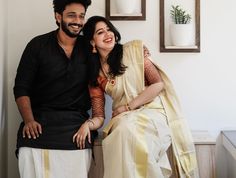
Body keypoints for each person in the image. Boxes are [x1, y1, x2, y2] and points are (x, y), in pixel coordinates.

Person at [76, 15, 198, 178]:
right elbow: (99, 116)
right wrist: (87, 125)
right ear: (92, 42)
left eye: (109, 29)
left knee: (128, 130)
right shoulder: (96, 75)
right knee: (122, 131)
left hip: (152, 111)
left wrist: (128, 107)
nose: (108, 34)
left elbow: (158, 84)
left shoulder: (133, 51)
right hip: (123, 117)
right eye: (100, 32)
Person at [13, 0, 104, 178]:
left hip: (75, 121)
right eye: (71, 15)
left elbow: (113, 53)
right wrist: (29, 120)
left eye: (81, 16)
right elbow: (21, 87)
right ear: (58, 16)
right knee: (28, 147)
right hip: (40, 120)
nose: (77, 21)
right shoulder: (37, 45)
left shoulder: (89, 48)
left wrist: (136, 50)